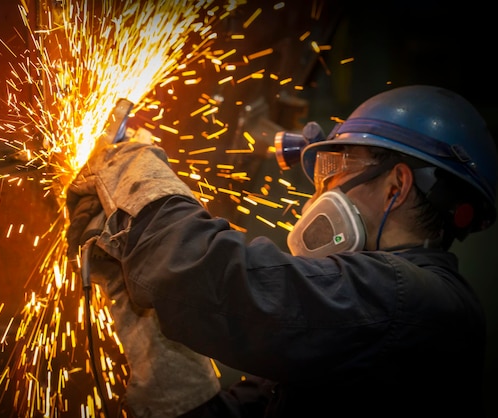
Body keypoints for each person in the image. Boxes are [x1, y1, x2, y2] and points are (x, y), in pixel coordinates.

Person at [66, 85, 497, 417]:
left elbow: (224, 279)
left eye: (336, 167)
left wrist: (135, 169)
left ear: (396, 186)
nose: (322, 191)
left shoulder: (411, 301)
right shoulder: (371, 323)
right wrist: (126, 273)